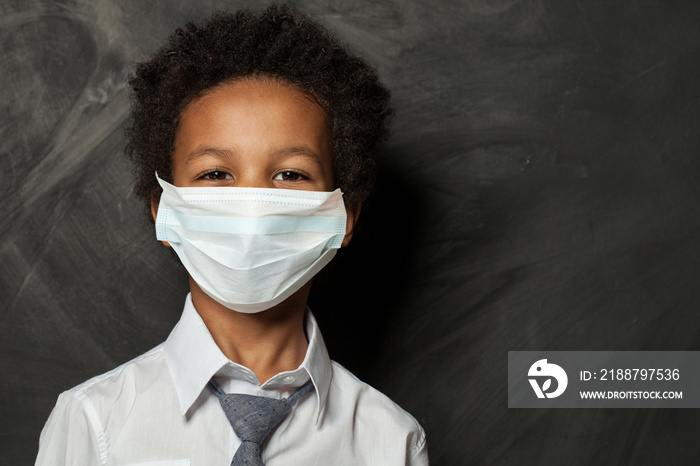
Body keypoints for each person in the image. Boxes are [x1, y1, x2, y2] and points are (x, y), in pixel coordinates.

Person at [35, 4, 428, 466]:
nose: (253, 207)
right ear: (164, 212)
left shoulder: (390, 441)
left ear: (344, 216)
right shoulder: (93, 423)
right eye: (216, 173)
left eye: (290, 175)